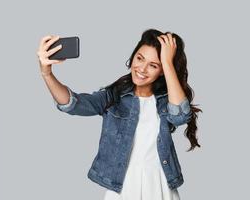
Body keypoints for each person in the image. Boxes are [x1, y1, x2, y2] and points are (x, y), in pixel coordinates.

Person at [37, 28, 202, 200]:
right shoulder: (113, 96)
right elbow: (74, 104)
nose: (142, 69)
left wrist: (167, 63)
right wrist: (47, 74)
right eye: (140, 58)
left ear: (162, 71)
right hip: (123, 185)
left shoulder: (166, 100)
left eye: (153, 65)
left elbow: (180, 116)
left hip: (160, 184)